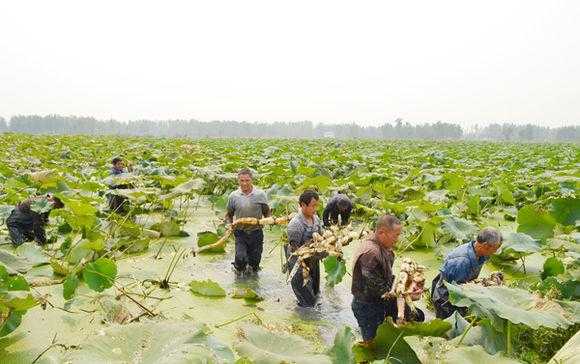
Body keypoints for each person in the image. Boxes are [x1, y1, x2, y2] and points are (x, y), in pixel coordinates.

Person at [351, 215, 424, 342]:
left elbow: (388, 280)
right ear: (382, 233)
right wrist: (407, 293)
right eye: (396, 235)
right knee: (372, 344)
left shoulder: (384, 247)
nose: (397, 239)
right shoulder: (371, 253)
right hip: (367, 305)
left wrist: (407, 284)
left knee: (416, 316)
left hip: (381, 299)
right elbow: (380, 289)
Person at [431, 227, 503, 319]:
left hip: (459, 289)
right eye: (495, 249)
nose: (495, 252)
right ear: (485, 245)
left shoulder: (479, 252)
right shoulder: (462, 261)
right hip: (446, 299)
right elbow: (456, 290)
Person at [226, 168, 270, 276]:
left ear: (251, 180)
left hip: (256, 232)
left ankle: (252, 282)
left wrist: (268, 221)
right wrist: (229, 225)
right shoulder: (233, 196)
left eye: (247, 180)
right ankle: (237, 269)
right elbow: (229, 214)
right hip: (240, 232)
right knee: (241, 259)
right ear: (238, 181)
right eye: (242, 181)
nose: (244, 183)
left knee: (254, 263)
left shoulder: (260, 194)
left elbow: (266, 212)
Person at [285, 190, 323, 307]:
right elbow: (295, 249)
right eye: (313, 206)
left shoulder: (315, 219)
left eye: (316, 205)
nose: (315, 208)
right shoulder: (295, 225)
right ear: (303, 205)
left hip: (313, 260)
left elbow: (321, 236)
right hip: (299, 262)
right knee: (307, 301)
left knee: (316, 293)